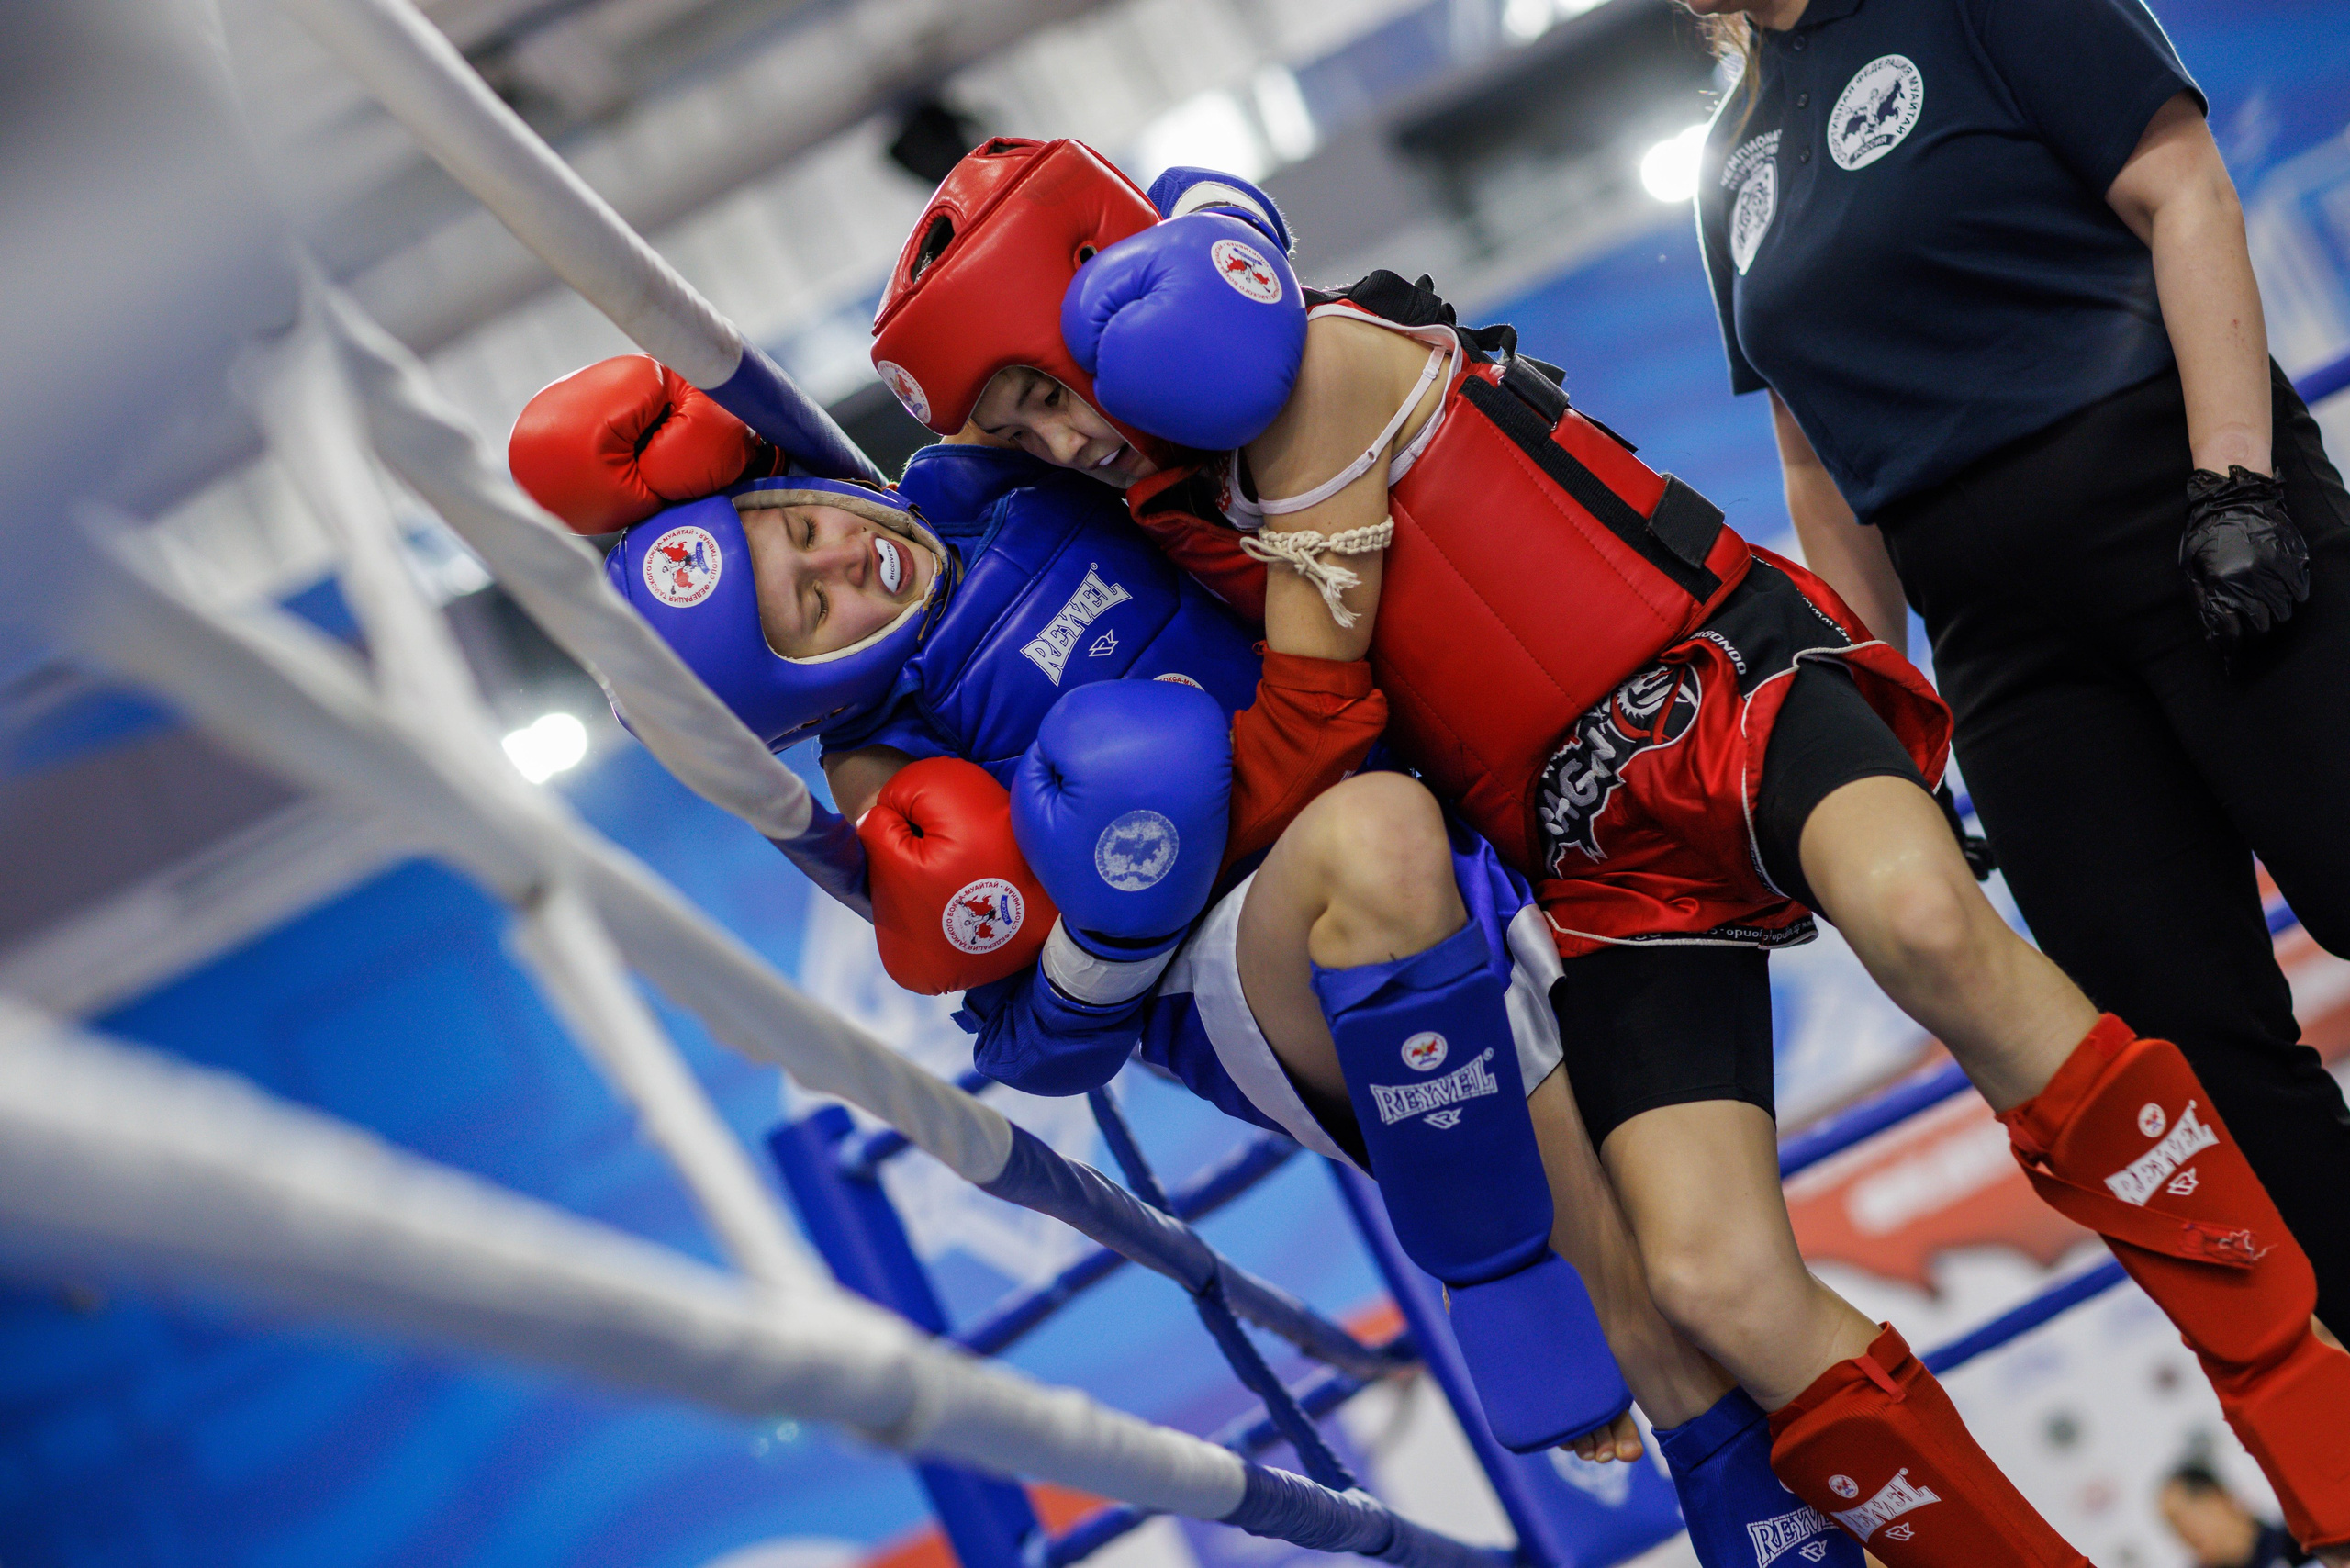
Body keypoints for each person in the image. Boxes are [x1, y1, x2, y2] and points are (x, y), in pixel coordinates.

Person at [862, 137, 2350, 1564]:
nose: (1063, 441)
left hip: (1721, 683)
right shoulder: (1162, 511)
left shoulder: (1302, 364)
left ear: (1109, 287)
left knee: (1929, 924)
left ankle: (2317, 1419)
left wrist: (1127, 885)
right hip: (1592, 859)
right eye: (1016, 433)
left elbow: (1317, 718)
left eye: (1046, 389)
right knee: (1710, 1279)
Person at [508, 359, 1856, 1568]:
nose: (849, 560)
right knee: (1381, 852)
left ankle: (1718, 1432)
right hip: (1240, 970)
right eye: (813, 605)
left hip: (1412, 849)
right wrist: (1118, 914)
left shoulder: (973, 481)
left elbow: (1129, 378)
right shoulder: (883, 769)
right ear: (806, 686)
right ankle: (1511, 1277)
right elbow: (1029, 1048)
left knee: (1706, 1294)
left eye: (805, 531)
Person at [1686, 0, 2350, 1379]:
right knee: (2197, 1057)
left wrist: (2235, 481)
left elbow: (2182, 189)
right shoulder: (1727, 158)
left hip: (2186, 511)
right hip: (2001, 647)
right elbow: (1814, 461)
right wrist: (1877, 731)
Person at [2162, 1462, 2313, 1568]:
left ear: (2217, 1499)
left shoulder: (2302, 1544)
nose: (2183, 1534)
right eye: (2172, 1526)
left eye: (2180, 1519)